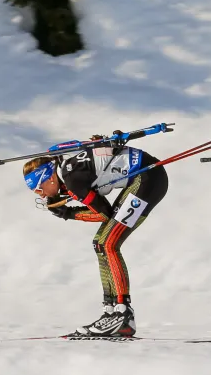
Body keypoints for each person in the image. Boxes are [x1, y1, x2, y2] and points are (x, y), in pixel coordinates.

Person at [23, 139, 169, 338]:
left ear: (49, 178)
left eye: (39, 189)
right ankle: (110, 312)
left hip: (148, 179)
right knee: (100, 243)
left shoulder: (72, 179)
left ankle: (122, 314)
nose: (41, 196)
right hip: (146, 176)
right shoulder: (67, 168)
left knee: (109, 244)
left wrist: (69, 213)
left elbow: (103, 214)